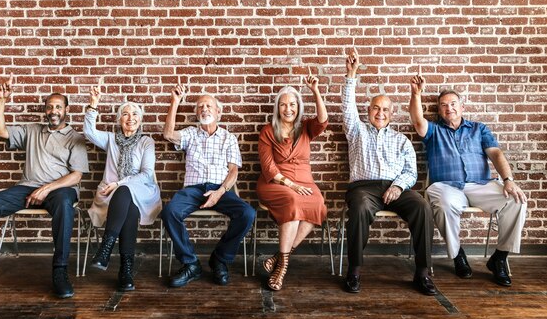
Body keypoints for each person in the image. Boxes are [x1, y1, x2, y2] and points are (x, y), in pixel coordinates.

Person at [0, 74, 89, 299]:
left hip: (59, 190)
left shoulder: (75, 138)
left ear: (66, 110)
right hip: (27, 188)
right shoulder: (31, 130)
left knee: (63, 202)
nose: (54, 111)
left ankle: (60, 270)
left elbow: (77, 176)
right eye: (50, 107)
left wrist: (48, 188)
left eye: (58, 107)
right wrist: (2, 99)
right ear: (45, 110)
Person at [409, 67, 528, 287]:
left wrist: (508, 180)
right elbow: (418, 122)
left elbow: (496, 153)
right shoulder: (434, 130)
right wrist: (416, 94)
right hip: (447, 187)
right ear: (439, 110)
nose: (449, 108)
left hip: (481, 185)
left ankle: (499, 258)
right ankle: (457, 255)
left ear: (462, 107)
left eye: (453, 103)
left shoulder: (478, 129)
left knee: (516, 199)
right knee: (443, 203)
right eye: (443, 105)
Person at [341, 49, 436, 295]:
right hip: (364, 188)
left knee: (422, 206)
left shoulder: (401, 140)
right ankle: (354, 270)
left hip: (396, 187)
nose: (380, 113)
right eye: (375, 108)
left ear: (392, 114)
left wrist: (398, 186)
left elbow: (410, 171)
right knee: (360, 206)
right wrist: (351, 75)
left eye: (385, 110)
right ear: (368, 110)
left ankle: (423, 272)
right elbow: (347, 107)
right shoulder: (356, 131)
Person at [161, 84, 256, 288]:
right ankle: (191, 264)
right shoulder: (190, 134)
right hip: (193, 190)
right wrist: (175, 102)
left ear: (218, 112)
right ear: (196, 113)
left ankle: (220, 259)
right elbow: (168, 134)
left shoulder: (228, 138)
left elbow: (233, 171)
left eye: (209, 106)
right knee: (169, 212)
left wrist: (220, 192)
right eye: (200, 106)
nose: (204, 109)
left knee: (247, 213)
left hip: (220, 189)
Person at [83, 86, 161, 291]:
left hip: (142, 192)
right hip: (110, 197)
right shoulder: (110, 139)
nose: (130, 117)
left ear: (141, 119)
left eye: (135, 113)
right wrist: (93, 104)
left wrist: (119, 183)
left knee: (125, 191)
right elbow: (89, 132)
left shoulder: (146, 142)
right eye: (125, 113)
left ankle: (105, 249)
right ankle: (126, 270)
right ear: (119, 120)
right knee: (128, 207)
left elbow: (146, 173)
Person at [256, 74, 329, 291]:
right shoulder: (268, 131)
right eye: (284, 105)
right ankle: (282, 268)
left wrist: (315, 91)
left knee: (318, 206)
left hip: (304, 181)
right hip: (275, 183)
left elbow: (323, 120)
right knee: (292, 201)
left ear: (298, 106)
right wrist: (290, 184)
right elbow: (268, 167)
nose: (288, 109)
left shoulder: (306, 127)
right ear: (277, 108)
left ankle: (279, 257)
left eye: (293, 104)